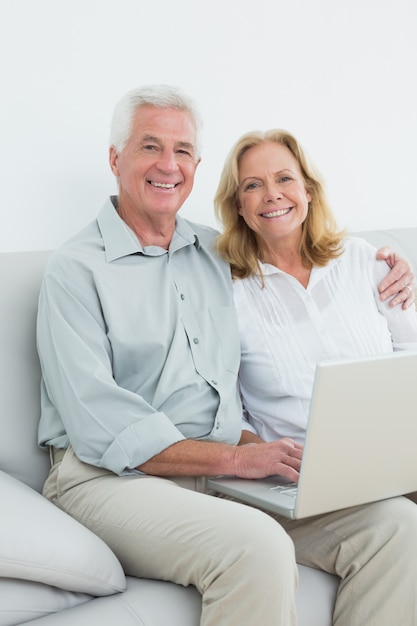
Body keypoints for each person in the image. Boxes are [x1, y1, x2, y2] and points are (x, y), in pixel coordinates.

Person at [36, 85, 415, 626]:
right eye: (150, 146)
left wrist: (388, 268)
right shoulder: (75, 271)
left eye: (183, 150)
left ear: (196, 165)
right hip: (110, 477)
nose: (169, 164)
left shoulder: (216, 257)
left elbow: (293, 249)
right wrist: (238, 458)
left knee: (398, 530)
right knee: (257, 548)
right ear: (116, 158)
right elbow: (101, 426)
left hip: (220, 474)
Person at [214, 127, 417, 626]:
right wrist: (255, 454)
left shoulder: (363, 260)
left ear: (308, 190)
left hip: (389, 463)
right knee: (401, 525)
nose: (272, 194)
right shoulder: (226, 292)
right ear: (238, 207)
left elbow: (410, 354)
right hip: (298, 485)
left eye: (285, 178)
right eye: (253, 186)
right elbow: (220, 412)